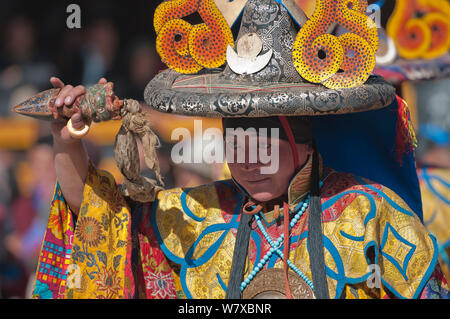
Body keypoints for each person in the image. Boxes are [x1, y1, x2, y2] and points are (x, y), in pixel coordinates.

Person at [31, 0, 448, 299]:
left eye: (265, 142)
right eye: (236, 142)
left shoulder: (372, 214)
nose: (249, 159)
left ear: (304, 140)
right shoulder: (200, 215)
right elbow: (99, 219)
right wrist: (66, 140)